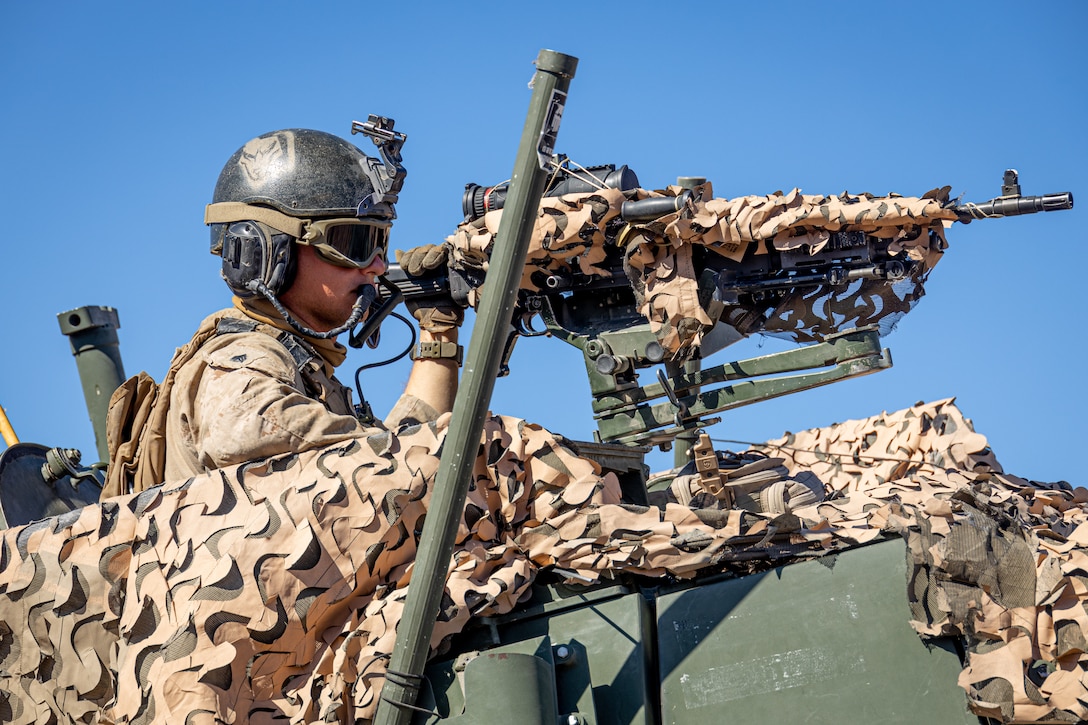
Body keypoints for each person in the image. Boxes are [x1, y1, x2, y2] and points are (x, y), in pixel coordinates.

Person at [101, 126, 464, 496]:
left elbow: (401, 477)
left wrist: (438, 327)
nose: (376, 267)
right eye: (353, 243)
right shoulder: (242, 365)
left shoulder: (297, 362)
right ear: (264, 252)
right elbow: (399, 477)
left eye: (380, 245)